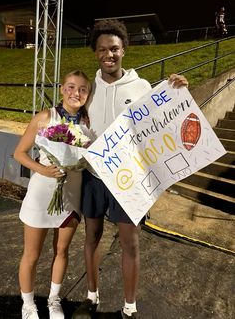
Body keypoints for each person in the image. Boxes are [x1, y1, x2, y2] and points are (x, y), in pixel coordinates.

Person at [72, 19, 189, 319]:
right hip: (95, 175)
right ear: (95, 53)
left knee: (130, 243)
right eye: (101, 50)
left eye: (113, 49)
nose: (108, 55)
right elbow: (71, 121)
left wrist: (178, 91)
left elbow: (164, 120)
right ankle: (90, 297)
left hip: (128, 180)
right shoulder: (88, 87)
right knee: (91, 237)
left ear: (124, 49)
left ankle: (130, 308)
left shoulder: (141, 87)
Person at [14, 70, 91, 319]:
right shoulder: (45, 117)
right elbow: (20, 153)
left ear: (88, 94)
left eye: (82, 89)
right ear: (61, 89)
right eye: (70, 87)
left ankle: (53, 300)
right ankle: (28, 304)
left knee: (62, 251)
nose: (75, 93)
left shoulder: (88, 123)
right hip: (42, 193)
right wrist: (43, 170)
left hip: (70, 195)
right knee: (32, 254)